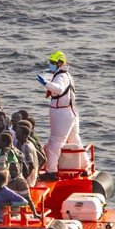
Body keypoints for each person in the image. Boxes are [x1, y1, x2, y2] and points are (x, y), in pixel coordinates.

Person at [36, 51, 85, 181]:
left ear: (59, 63)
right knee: (75, 140)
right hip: (70, 112)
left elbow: (58, 89)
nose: (51, 65)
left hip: (62, 113)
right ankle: (84, 166)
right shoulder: (66, 75)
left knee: (54, 143)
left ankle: (51, 172)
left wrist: (45, 83)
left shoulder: (61, 77)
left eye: (53, 63)